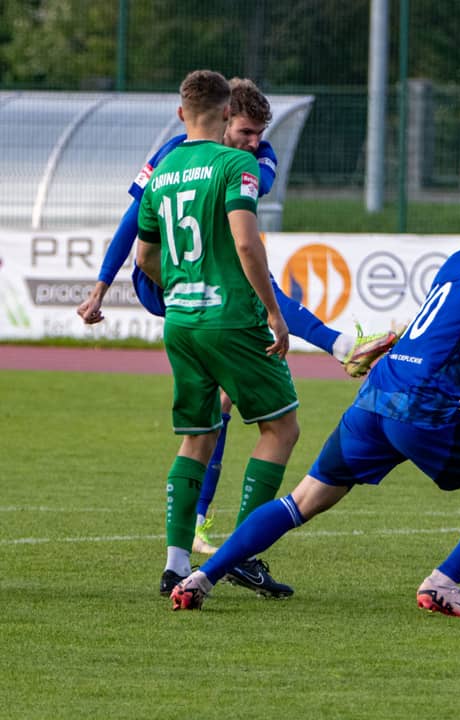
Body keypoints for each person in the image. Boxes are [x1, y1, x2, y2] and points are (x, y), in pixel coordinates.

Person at [170, 190, 460, 618]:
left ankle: (201, 578)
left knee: (302, 500)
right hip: (421, 409)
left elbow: (449, 348)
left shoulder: (458, 261)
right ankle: (443, 584)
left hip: (376, 397)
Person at [78, 78, 395, 558]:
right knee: (255, 292)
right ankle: (340, 346)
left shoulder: (252, 154)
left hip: (195, 302)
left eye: (259, 134)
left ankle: (195, 527)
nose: (254, 142)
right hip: (171, 281)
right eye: (245, 131)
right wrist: (103, 283)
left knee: (217, 409)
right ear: (225, 117)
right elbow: (135, 227)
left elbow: (259, 182)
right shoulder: (177, 154)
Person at [135, 69, 303, 600]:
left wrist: (180, 287)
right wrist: (274, 312)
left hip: (181, 321)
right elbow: (248, 245)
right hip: (231, 318)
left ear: (181, 114)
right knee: (281, 429)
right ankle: (241, 556)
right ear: (228, 113)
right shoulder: (236, 164)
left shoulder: (162, 171)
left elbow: (144, 256)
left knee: (199, 435)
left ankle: (175, 565)